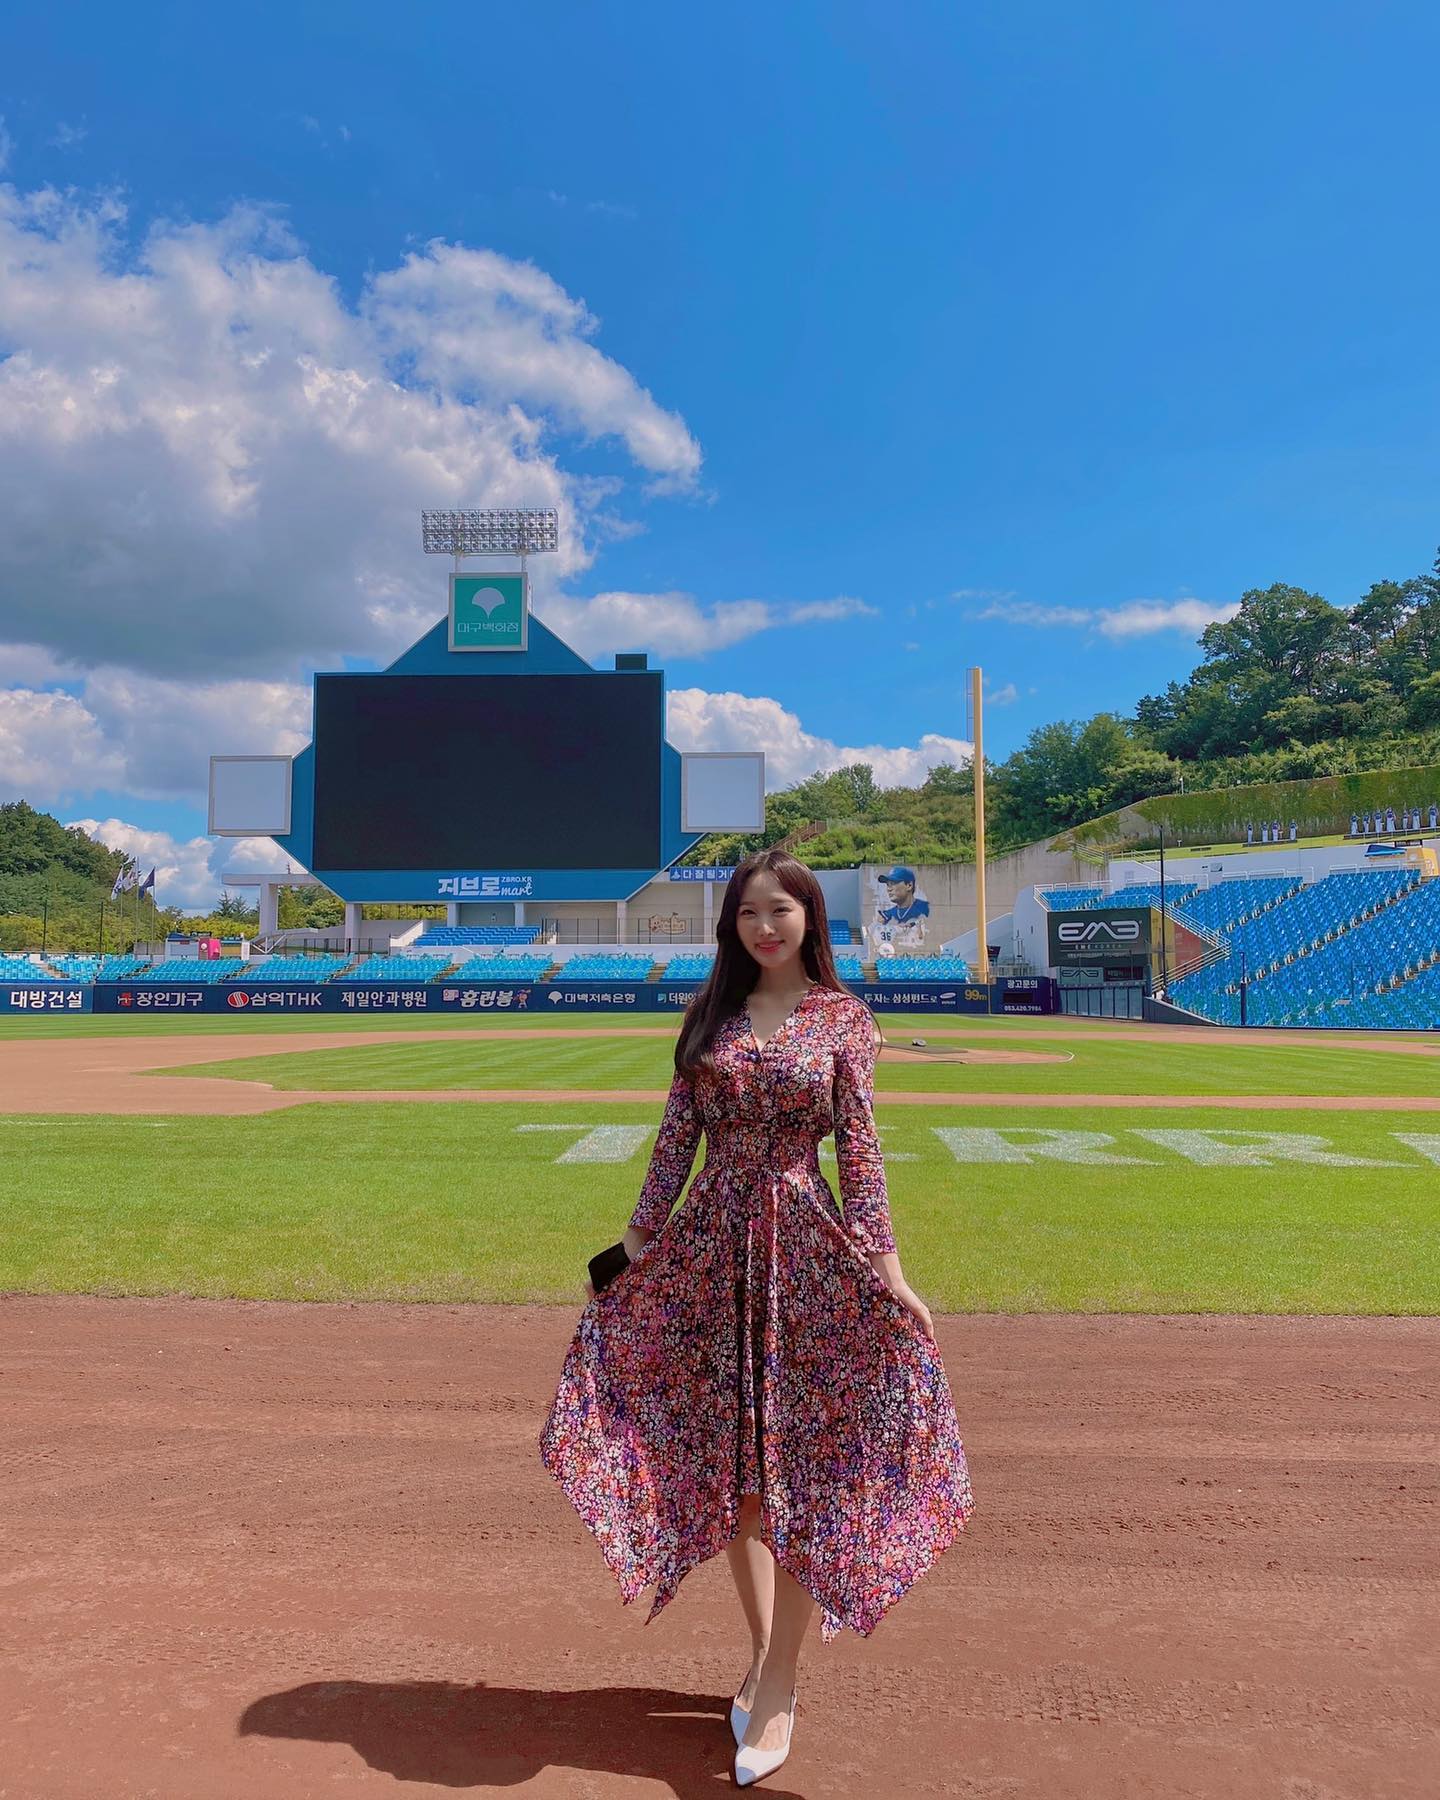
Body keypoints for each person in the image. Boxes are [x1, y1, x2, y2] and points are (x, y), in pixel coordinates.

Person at [539, 848, 974, 1787]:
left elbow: (860, 1151)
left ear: (810, 917)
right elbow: (675, 1143)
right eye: (747, 912)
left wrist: (888, 1270)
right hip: (710, 1249)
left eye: (780, 909)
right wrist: (632, 1248)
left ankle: (778, 1684)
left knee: (807, 1468)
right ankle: (766, 1656)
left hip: (807, 1249)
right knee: (736, 1468)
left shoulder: (844, 1020)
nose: (764, 925)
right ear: (730, 925)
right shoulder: (709, 1015)